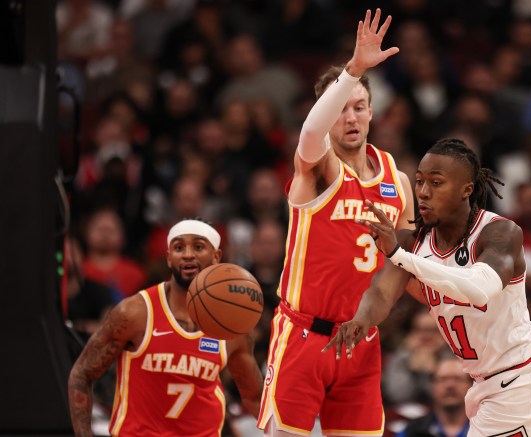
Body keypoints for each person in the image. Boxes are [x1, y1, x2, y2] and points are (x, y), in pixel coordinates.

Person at [325, 137, 531, 436]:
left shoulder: (499, 233)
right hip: (488, 383)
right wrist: (361, 319)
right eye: (420, 182)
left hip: (523, 379)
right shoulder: (414, 243)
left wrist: (401, 257)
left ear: (466, 189)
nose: (424, 193)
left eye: (436, 183)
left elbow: (480, 289)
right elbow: (382, 292)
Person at [257, 9, 415, 436]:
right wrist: (354, 69)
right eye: (341, 109)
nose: (350, 117)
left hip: (361, 344)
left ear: (371, 112)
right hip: (302, 337)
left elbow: (410, 266)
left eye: (359, 107)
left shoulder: (397, 180)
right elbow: (311, 133)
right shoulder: (317, 168)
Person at [68, 219, 264, 436]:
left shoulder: (232, 325)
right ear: (169, 258)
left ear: (216, 257)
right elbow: (81, 374)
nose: (188, 254)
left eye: (198, 247)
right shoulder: (135, 313)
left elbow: (255, 399)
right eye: (179, 248)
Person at [396, 355, 472, 437]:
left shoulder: (485, 429)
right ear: (432, 386)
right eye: (443, 379)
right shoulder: (411, 431)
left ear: (471, 385)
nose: (450, 385)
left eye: (458, 379)